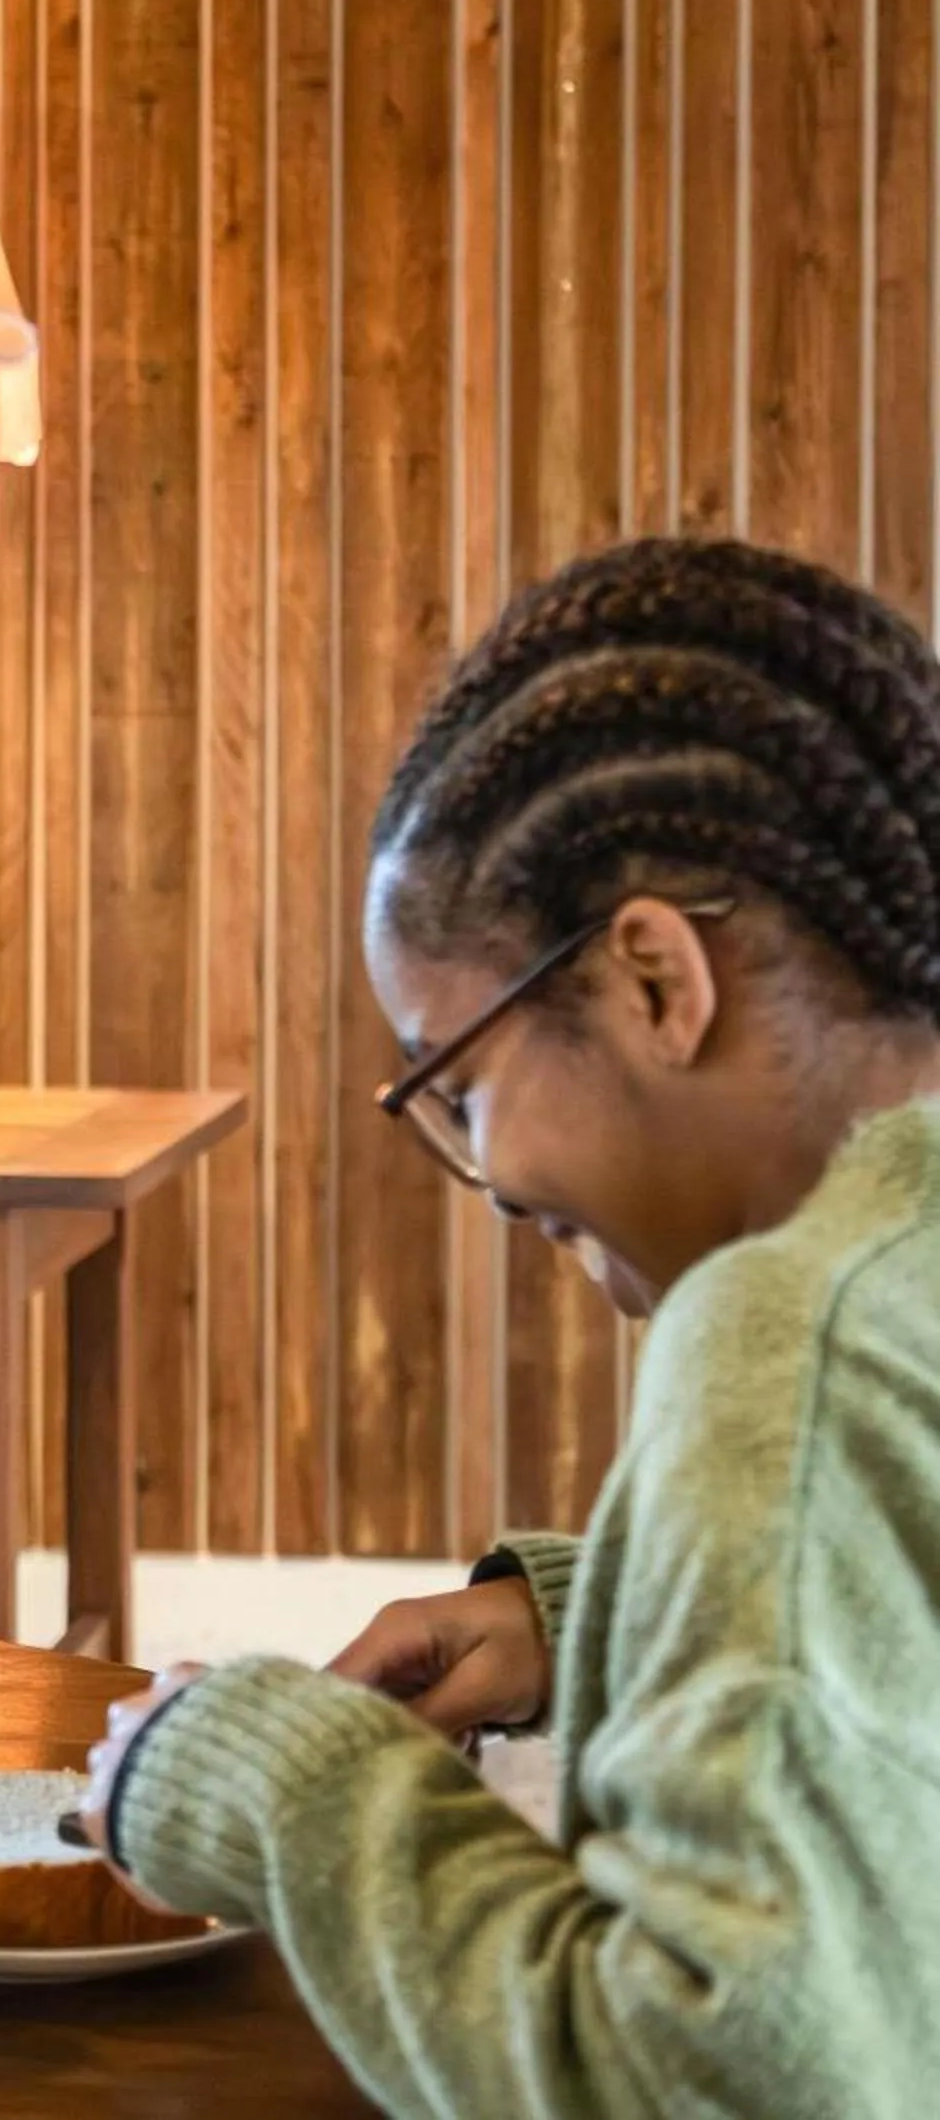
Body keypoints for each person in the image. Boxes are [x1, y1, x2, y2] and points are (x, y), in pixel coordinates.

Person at [80, 537, 940, 2117]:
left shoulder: (788, 1334)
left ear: (653, 978)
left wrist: (277, 1775)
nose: (485, 1180)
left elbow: (697, 2083)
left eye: (459, 1086)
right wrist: (609, 1611)